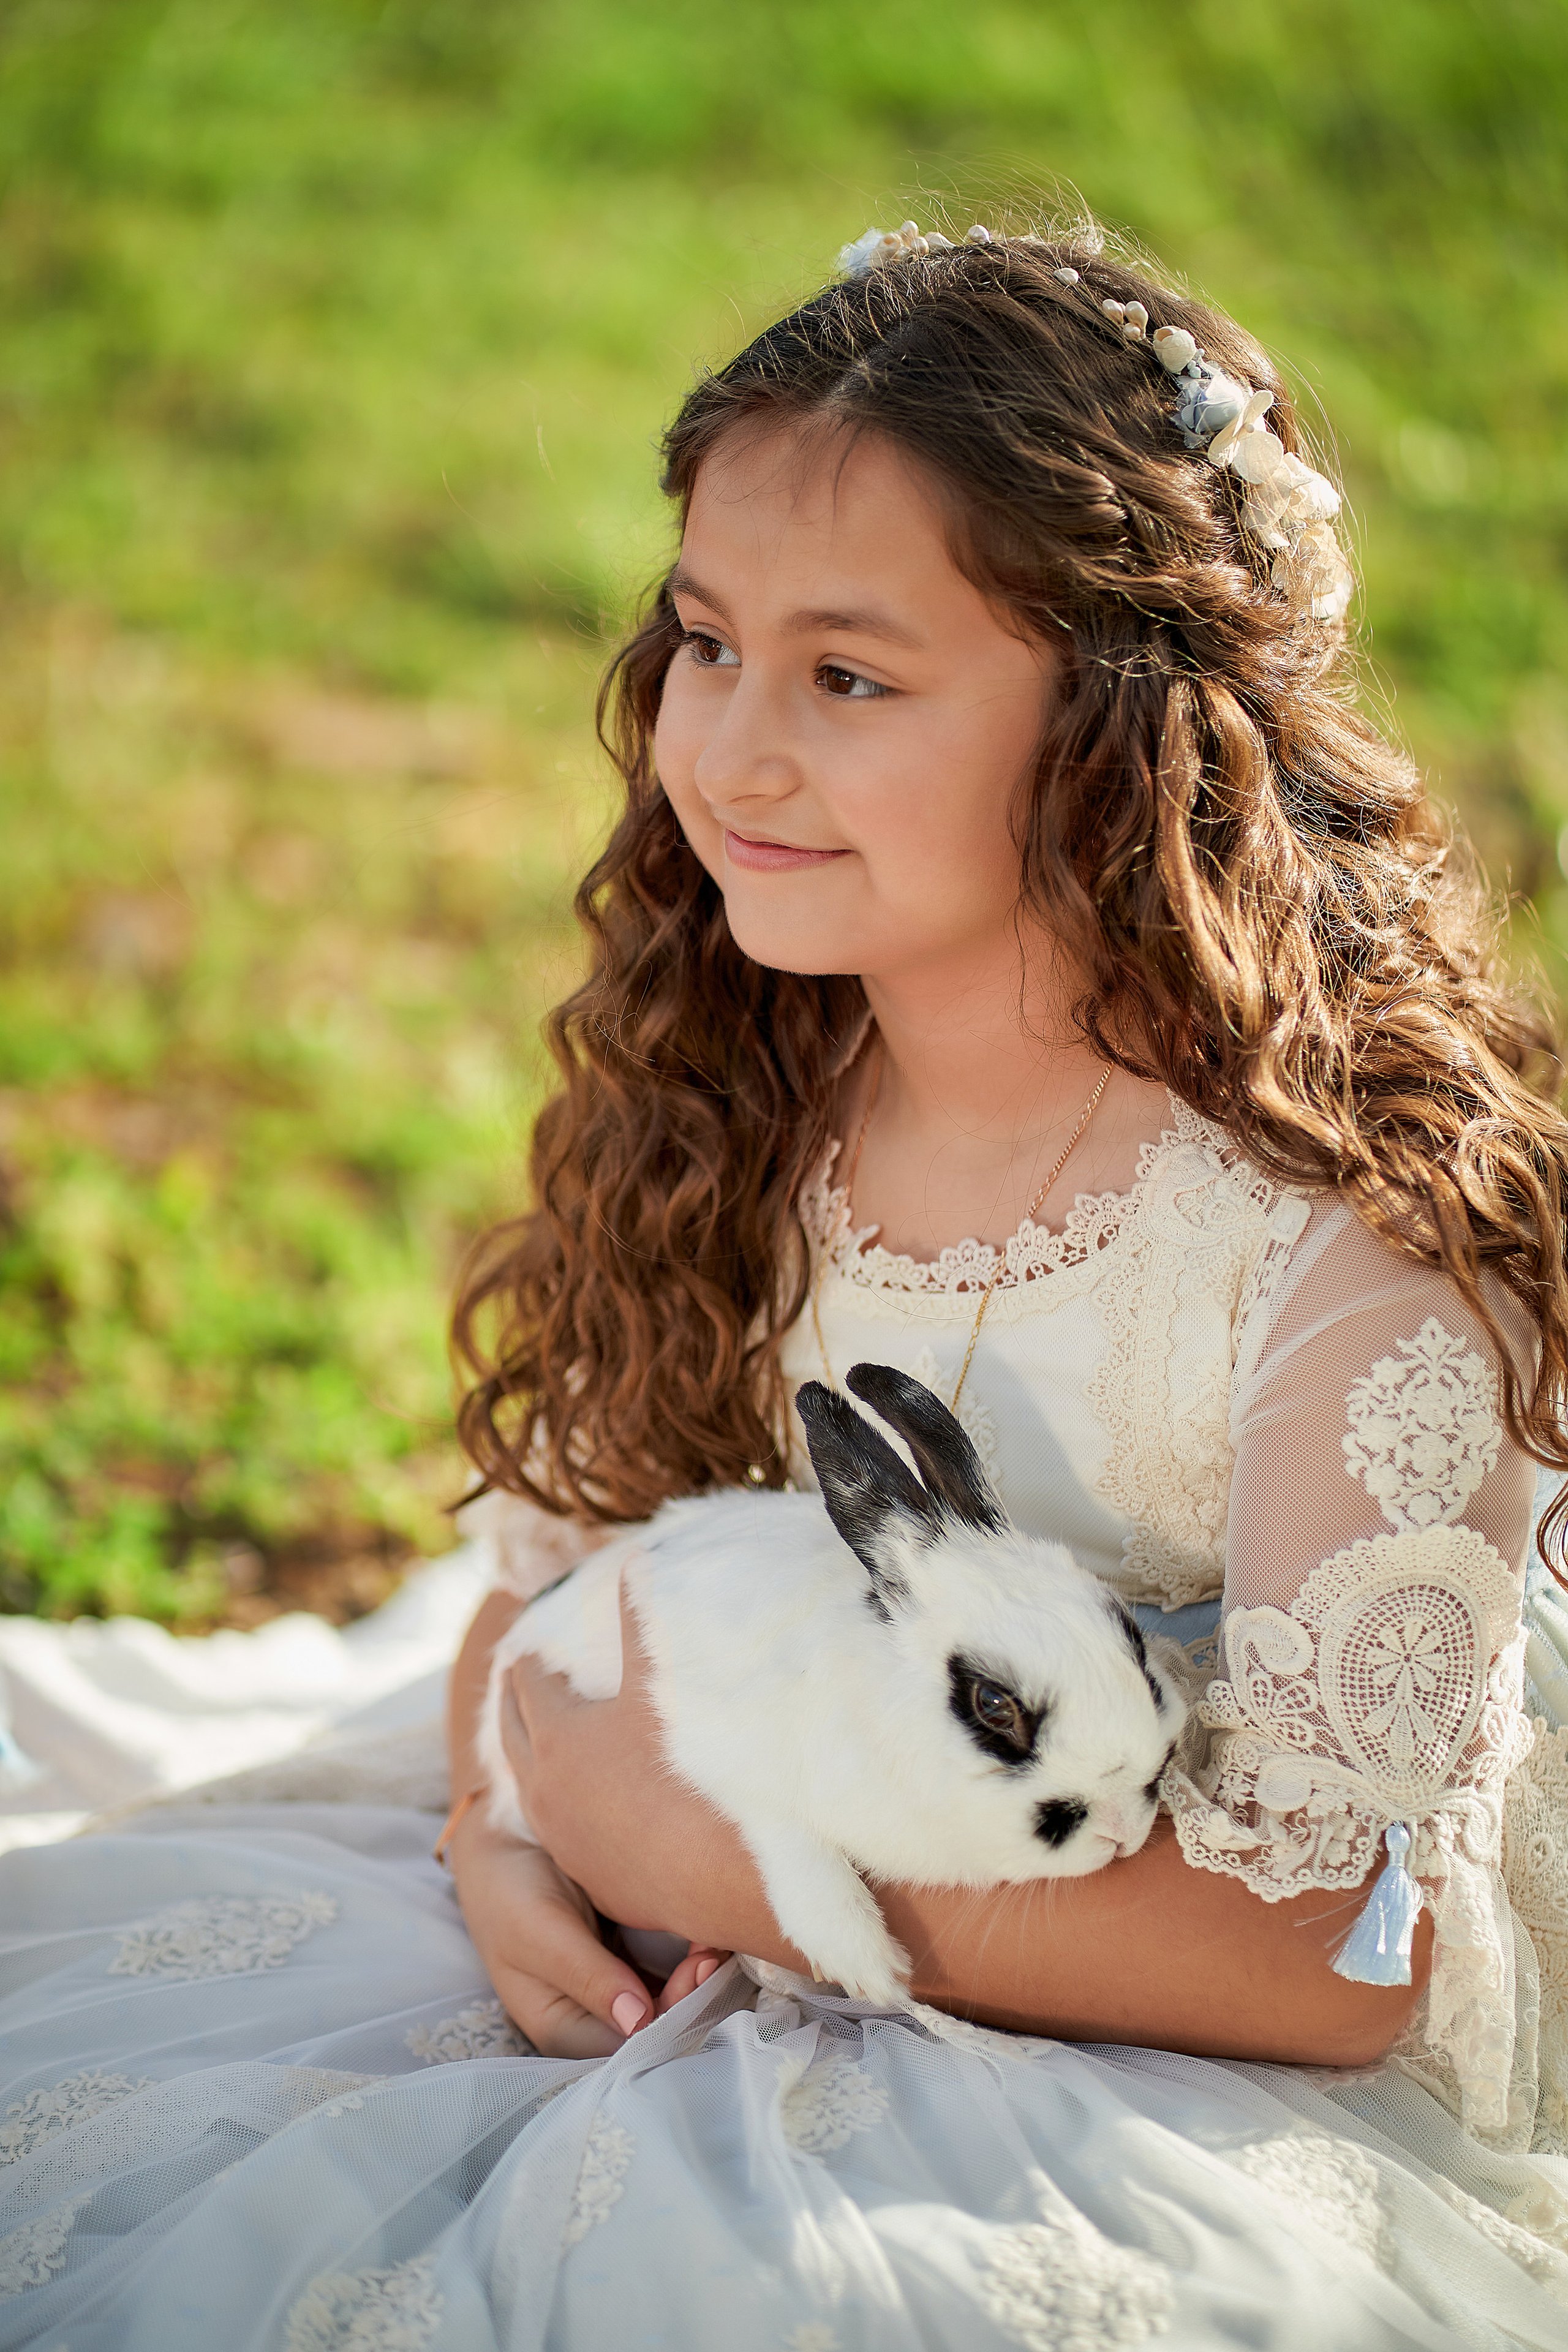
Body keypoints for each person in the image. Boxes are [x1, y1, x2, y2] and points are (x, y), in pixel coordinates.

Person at [3, 216, 1568, 2352]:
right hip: (758, 1781)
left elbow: (1337, 1958)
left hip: (1174, 1984)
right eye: (705, 641)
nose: (727, 753)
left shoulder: (1345, 1244)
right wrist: (501, 1828)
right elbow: (553, 1585)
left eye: (849, 676)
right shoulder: (750, 1075)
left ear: (1127, 730)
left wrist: (728, 1865)